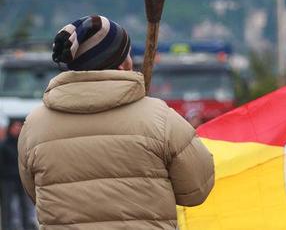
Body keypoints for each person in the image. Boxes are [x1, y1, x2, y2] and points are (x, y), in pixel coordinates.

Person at [18, 15, 215, 230]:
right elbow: (197, 188)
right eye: (127, 53)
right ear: (121, 63)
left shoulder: (34, 127)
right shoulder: (160, 118)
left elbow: (37, 193)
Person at [1, 120, 37, 230]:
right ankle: (6, 226)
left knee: (25, 205)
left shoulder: (23, 145)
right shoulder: (3, 145)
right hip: (7, 180)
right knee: (7, 206)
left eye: (19, 127)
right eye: (15, 127)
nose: (18, 130)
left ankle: (26, 226)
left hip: (22, 179)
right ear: (10, 129)